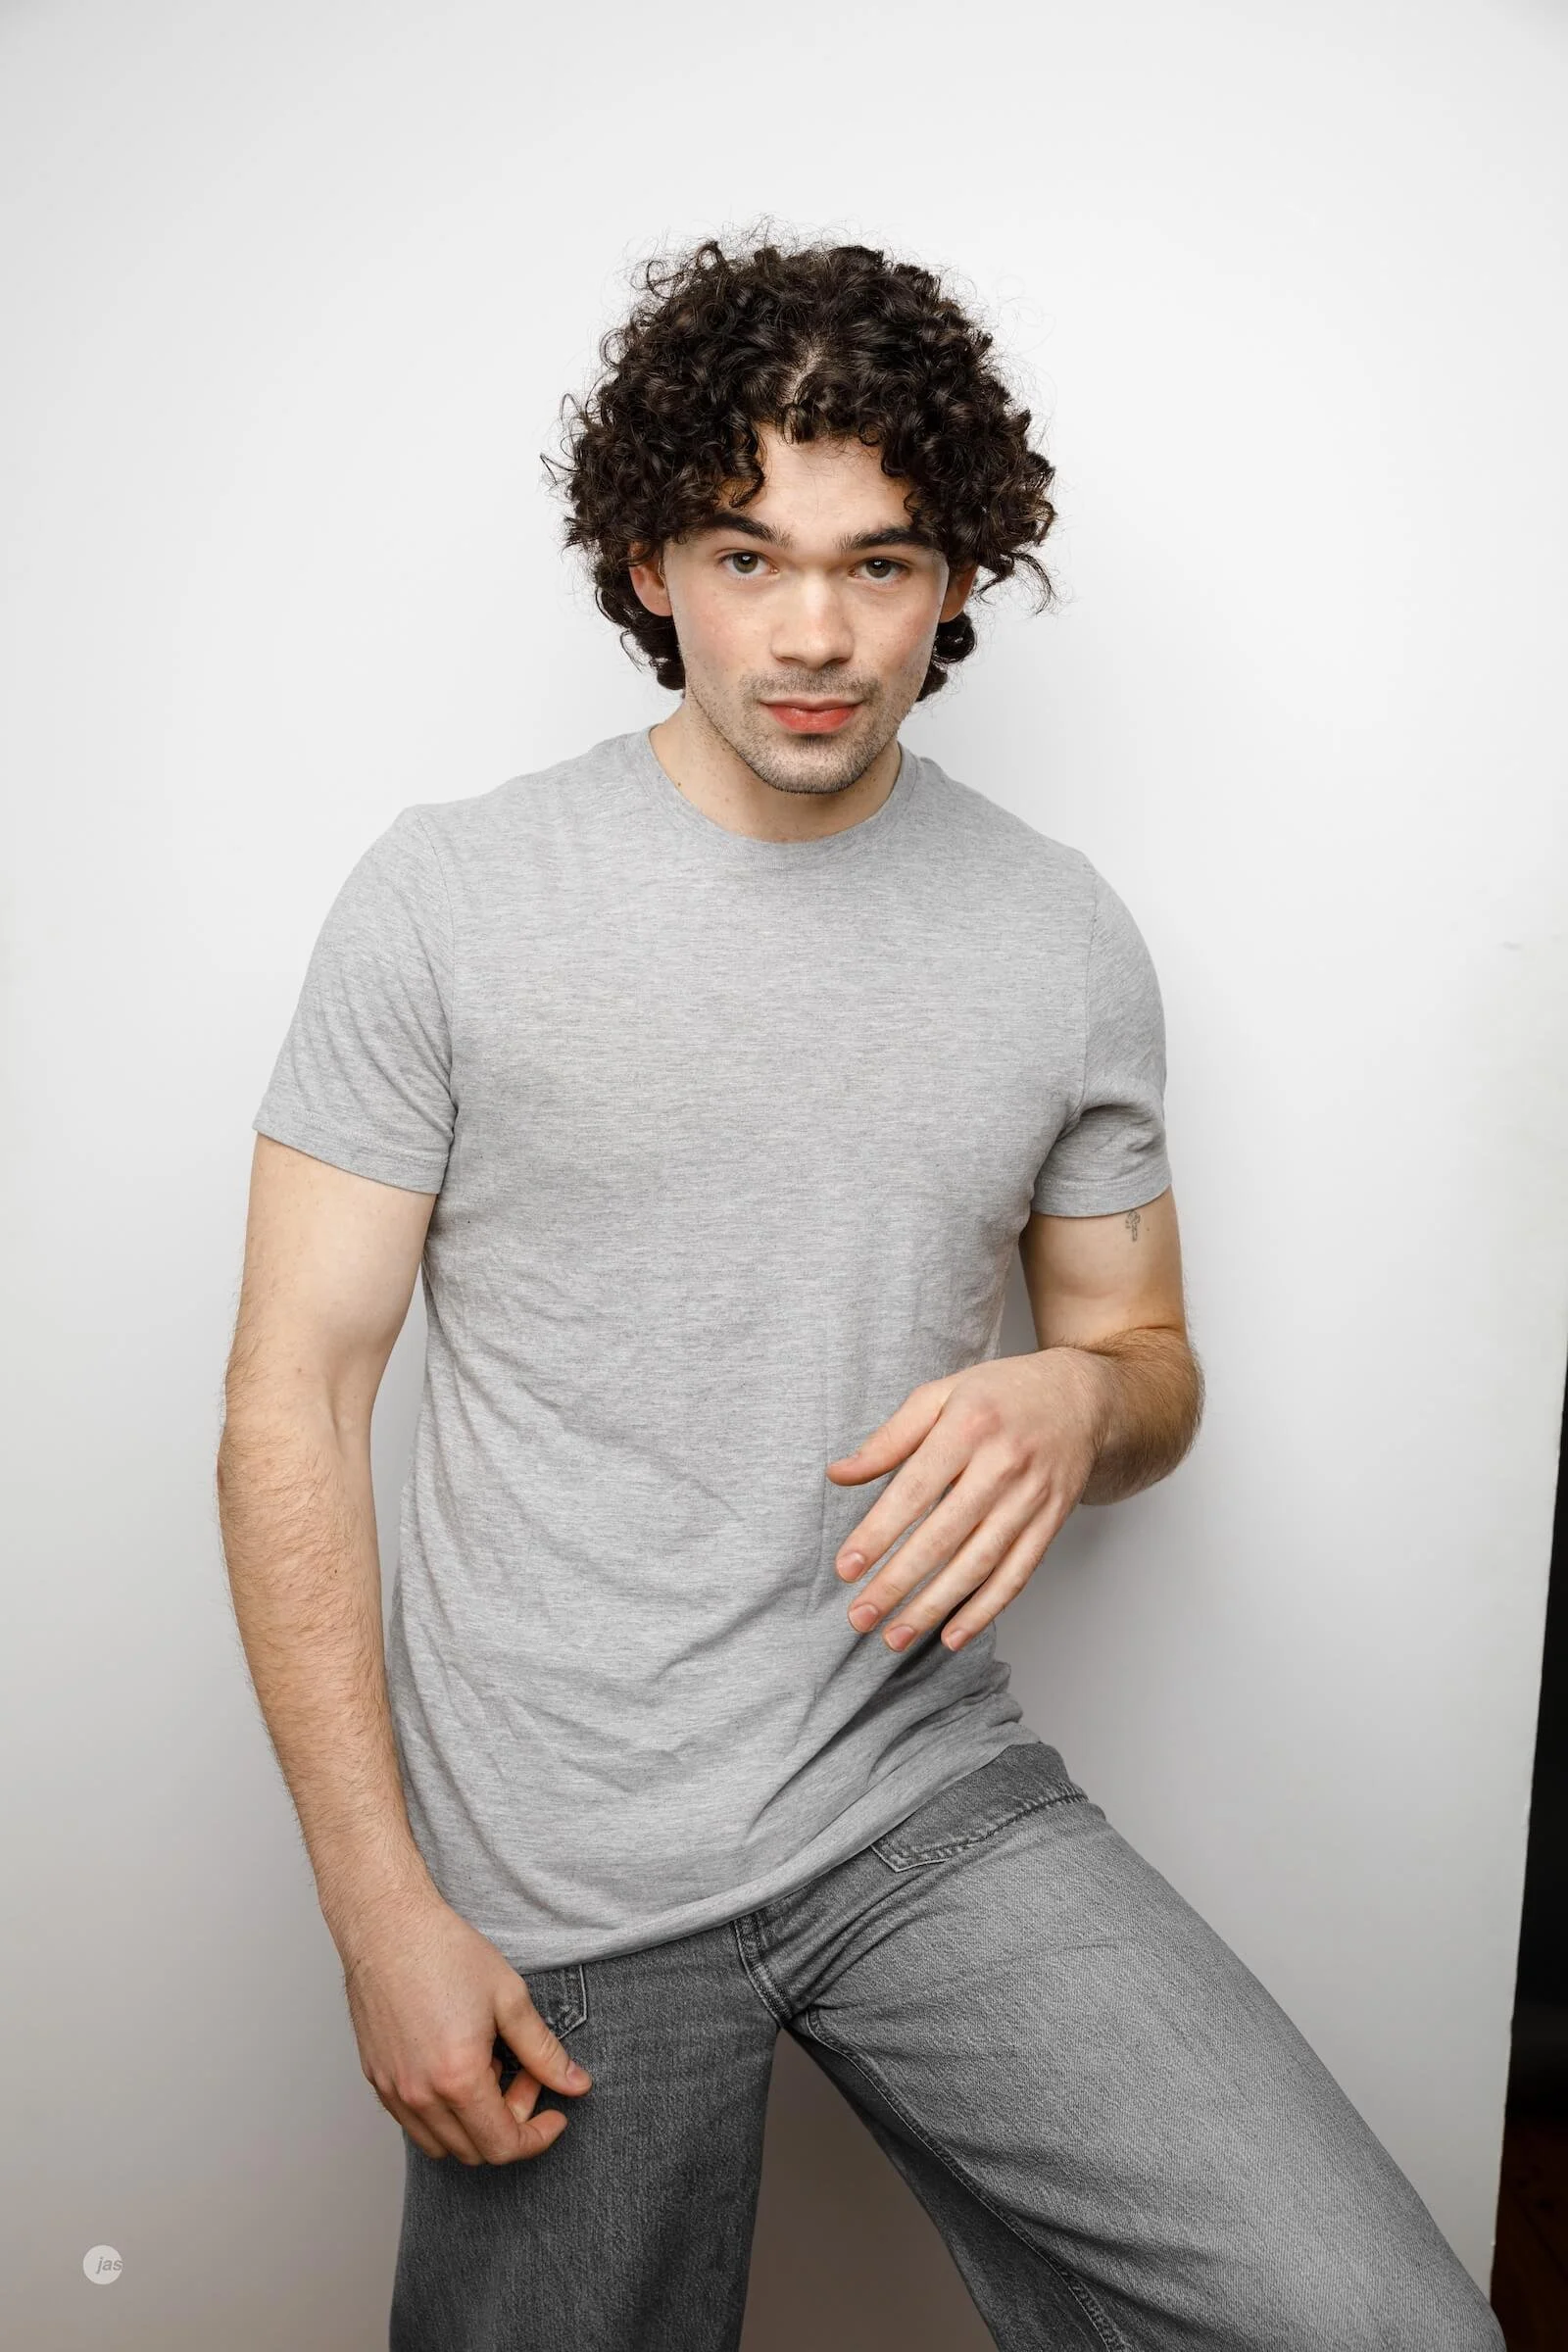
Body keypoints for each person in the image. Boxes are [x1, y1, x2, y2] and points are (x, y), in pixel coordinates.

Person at [217, 234, 1503, 2352]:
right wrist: (382, 1911)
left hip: (915, 1799)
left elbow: (1142, 1360)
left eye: (881, 563)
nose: (814, 632)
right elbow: (289, 1399)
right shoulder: (445, 900)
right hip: (559, 1876)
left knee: (1371, 2325)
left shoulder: (1055, 935)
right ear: (647, 566)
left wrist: (1076, 1408)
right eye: (748, 553)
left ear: (958, 581)